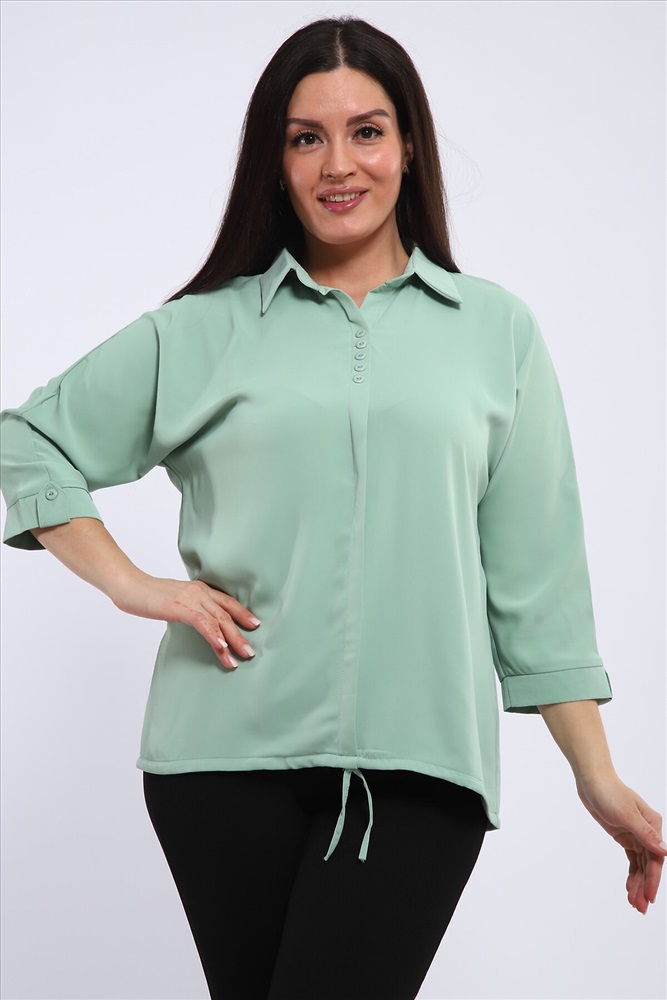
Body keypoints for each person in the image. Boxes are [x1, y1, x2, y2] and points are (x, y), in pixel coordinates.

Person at [1, 14, 664, 1000]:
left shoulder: (495, 333)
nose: (337, 163)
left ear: (409, 147)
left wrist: (594, 772)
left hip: (422, 768)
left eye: (366, 131)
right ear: (274, 162)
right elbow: (25, 439)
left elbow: (537, 581)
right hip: (218, 762)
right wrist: (133, 585)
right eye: (305, 137)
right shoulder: (202, 330)